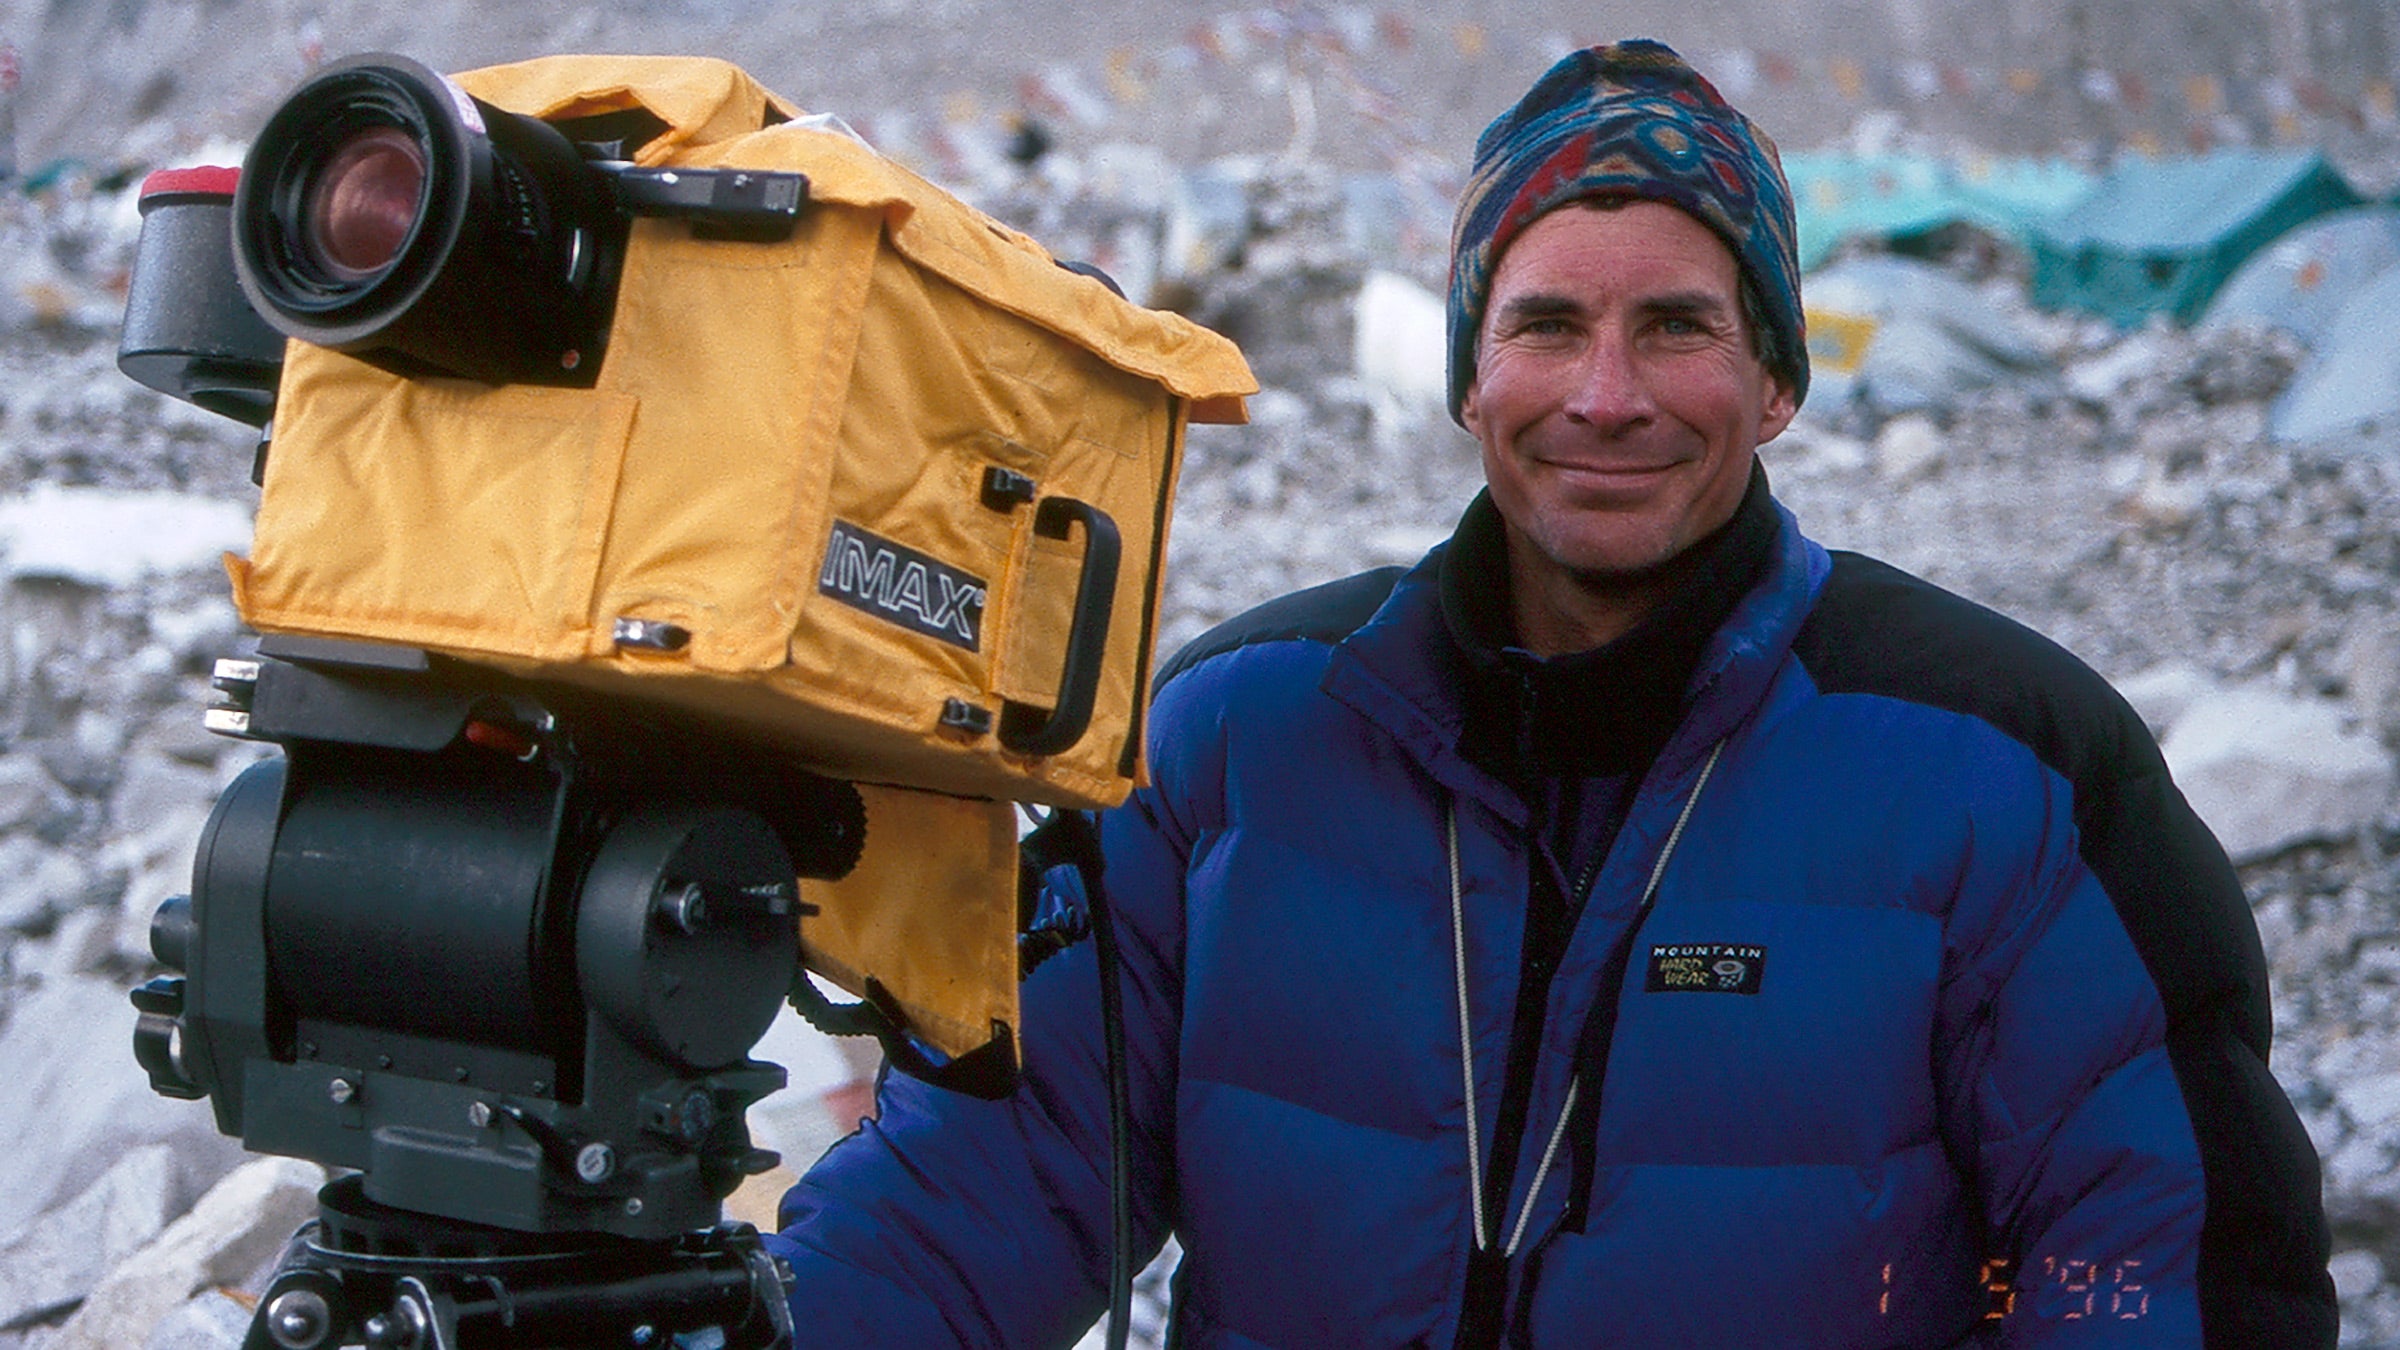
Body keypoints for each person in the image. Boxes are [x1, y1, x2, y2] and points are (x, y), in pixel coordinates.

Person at [768, 40, 2336, 1347]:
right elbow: (981, 1187)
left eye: (1676, 326)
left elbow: (2162, 1262)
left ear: (1775, 379)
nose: (1606, 393)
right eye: (1546, 325)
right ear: (1467, 377)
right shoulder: (1243, 739)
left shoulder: (2003, 766)